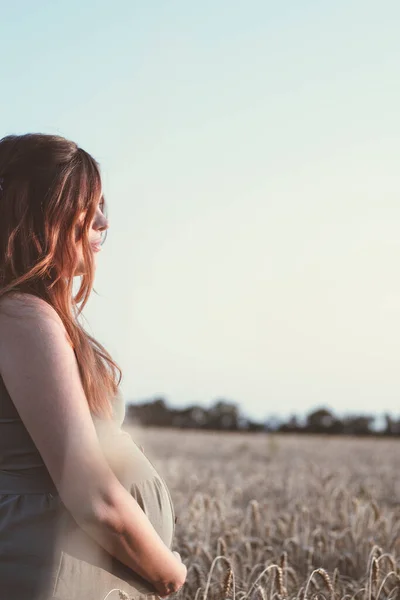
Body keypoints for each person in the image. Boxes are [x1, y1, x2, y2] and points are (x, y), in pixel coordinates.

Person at [0, 133, 187, 600]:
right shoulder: (22, 316)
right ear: (39, 214)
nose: (104, 221)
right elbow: (94, 499)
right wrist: (170, 573)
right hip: (53, 568)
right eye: (88, 206)